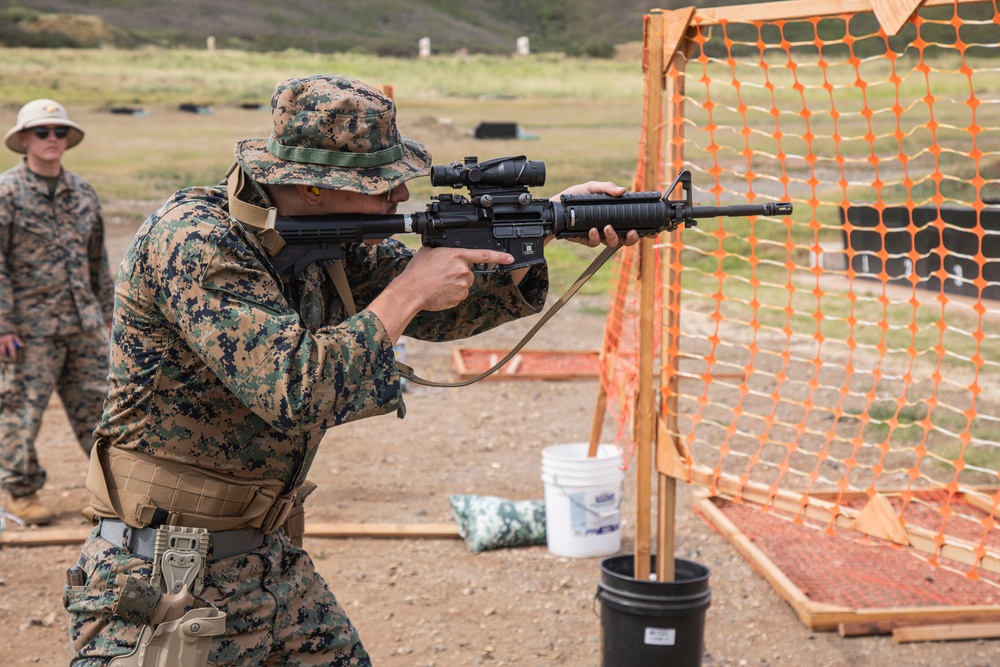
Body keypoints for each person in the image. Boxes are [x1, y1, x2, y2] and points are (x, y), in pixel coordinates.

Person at [65, 74, 637, 665]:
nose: (396, 199)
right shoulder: (193, 239)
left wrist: (539, 231)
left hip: (264, 555)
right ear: (312, 188)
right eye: (379, 186)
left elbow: (441, 312)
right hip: (164, 567)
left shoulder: (333, 235)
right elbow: (295, 387)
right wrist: (409, 290)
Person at [0, 99, 114, 526]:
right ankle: (21, 492)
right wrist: (3, 324)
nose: (52, 139)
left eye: (59, 132)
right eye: (43, 132)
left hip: (83, 324)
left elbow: (97, 259)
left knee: (101, 410)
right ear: (24, 139)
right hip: (28, 330)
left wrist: (106, 313)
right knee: (20, 412)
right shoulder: (7, 192)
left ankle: (109, 495)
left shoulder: (82, 191)